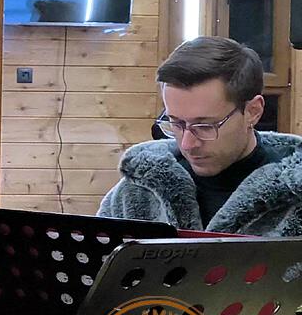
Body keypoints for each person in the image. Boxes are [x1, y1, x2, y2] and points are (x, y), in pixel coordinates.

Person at [98, 36, 302, 235]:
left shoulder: (296, 193)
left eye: (205, 126)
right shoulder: (138, 189)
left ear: (253, 111)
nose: (187, 144)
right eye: (176, 123)